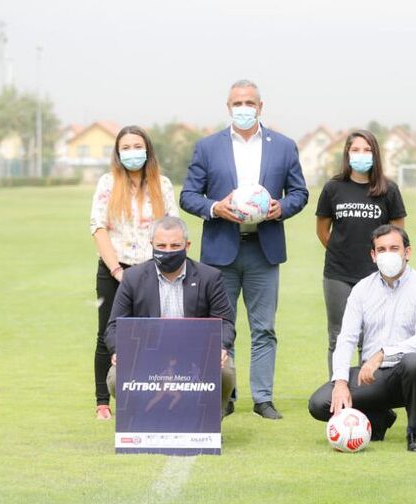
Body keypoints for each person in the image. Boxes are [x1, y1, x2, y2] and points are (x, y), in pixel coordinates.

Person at [180, 80, 309, 420]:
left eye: (249, 102)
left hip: (263, 250)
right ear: (228, 107)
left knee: (264, 327)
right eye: (237, 102)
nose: (244, 107)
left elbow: (300, 193)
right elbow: (188, 195)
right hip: (220, 250)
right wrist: (214, 208)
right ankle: (227, 393)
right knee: (222, 327)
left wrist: (282, 207)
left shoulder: (283, 146)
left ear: (261, 106)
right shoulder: (208, 147)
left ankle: (263, 398)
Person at [308, 225, 416, 452]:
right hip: (371, 378)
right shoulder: (361, 289)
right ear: (373, 255)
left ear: (407, 252)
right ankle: (379, 415)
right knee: (320, 404)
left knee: (415, 362)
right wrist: (339, 382)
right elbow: (346, 338)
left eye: (394, 248)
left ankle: (414, 431)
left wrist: (383, 354)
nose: (388, 254)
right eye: (382, 249)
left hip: (405, 375)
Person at [104, 217, 237, 417]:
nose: (168, 251)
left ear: (187, 246)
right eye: (161, 245)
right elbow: (113, 327)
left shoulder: (210, 277)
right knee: (116, 378)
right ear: (151, 245)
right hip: (148, 355)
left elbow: (226, 322)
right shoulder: (132, 278)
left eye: (175, 245)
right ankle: (143, 421)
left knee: (225, 372)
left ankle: (209, 420)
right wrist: (119, 350)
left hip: (197, 353)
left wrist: (221, 347)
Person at [90, 125, 178, 420]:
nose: (132, 153)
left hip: (152, 271)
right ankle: (103, 401)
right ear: (117, 153)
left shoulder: (162, 184)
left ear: (147, 150)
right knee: (108, 334)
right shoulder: (107, 183)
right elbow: (98, 228)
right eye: (125, 148)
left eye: (137, 146)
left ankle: (153, 394)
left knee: (155, 334)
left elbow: (171, 228)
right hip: (115, 270)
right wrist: (116, 270)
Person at [316, 130, 406, 376]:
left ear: (375, 155)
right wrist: (343, 250)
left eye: (367, 150)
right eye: (355, 150)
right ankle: (338, 391)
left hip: (375, 275)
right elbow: (323, 230)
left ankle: (371, 392)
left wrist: (383, 261)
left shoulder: (389, 189)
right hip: (338, 274)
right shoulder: (333, 188)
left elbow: (397, 234)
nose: (361, 155)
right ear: (347, 154)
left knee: (373, 338)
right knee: (338, 336)